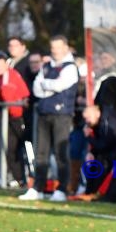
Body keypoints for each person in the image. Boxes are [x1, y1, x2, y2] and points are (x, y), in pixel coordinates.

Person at [18, 35, 79, 202]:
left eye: (58, 48)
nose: (55, 51)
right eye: (53, 48)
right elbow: (37, 89)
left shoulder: (70, 67)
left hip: (62, 115)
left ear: (65, 48)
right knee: (41, 153)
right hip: (44, 113)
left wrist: (47, 85)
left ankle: (62, 189)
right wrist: (49, 86)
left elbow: (59, 85)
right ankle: (38, 187)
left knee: (61, 153)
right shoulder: (46, 66)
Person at [0, 50, 31, 188]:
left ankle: (22, 179)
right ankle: (16, 178)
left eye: (0, 65)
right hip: (8, 118)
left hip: (16, 118)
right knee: (9, 149)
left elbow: (7, 97)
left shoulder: (10, 75)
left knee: (14, 149)